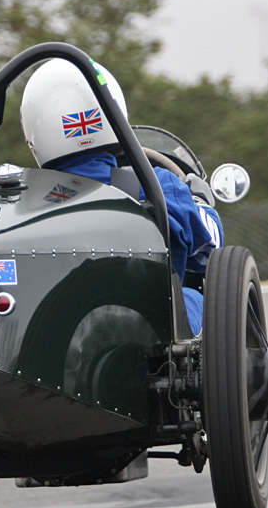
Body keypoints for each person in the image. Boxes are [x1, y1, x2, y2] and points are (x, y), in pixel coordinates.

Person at [19, 59, 223, 335]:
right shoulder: (159, 188)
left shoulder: (22, 203)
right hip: (149, 336)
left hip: (54, 337)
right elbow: (210, 248)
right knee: (199, 298)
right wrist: (198, 200)